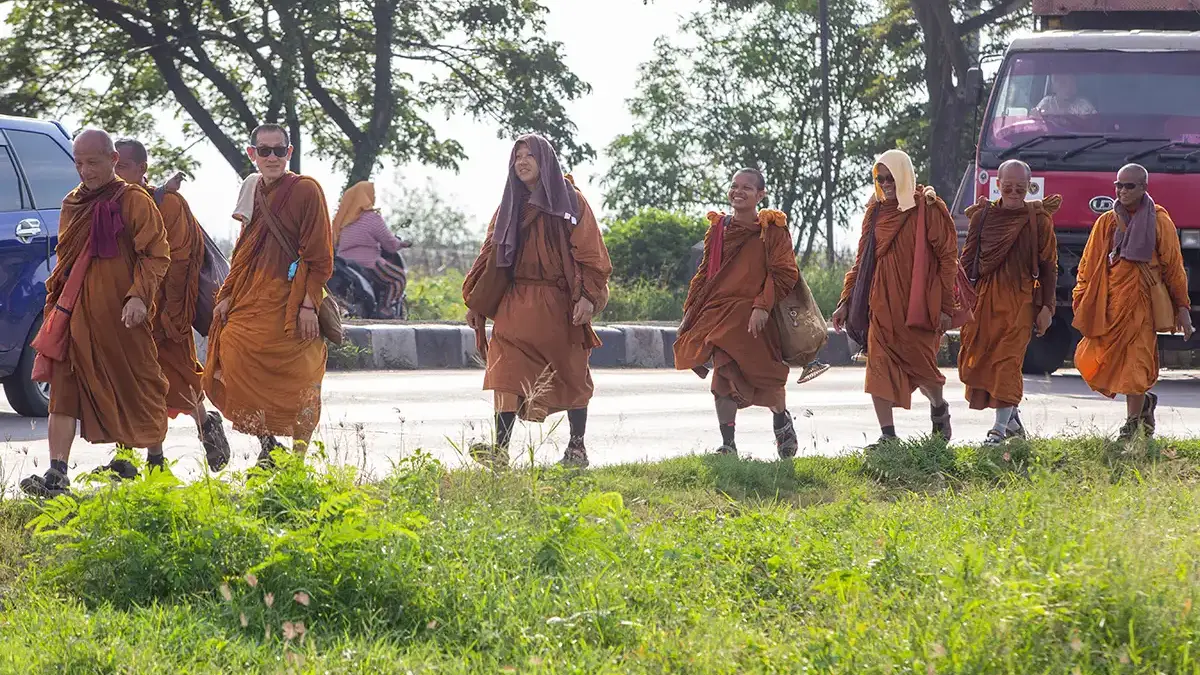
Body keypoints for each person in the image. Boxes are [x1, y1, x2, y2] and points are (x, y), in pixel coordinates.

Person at [19, 129, 171, 497]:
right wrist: (55, 305)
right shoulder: (73, 203)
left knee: (140, 385)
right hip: (77, 315)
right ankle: (57, 474)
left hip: (123, 316)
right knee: (63, 391)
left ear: (113, 159)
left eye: (94, 162)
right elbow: (66, 261)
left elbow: (156, 254)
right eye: (79, 163)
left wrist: (138, 296)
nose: (85, 171)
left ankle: (155, 459)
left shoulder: (133, 199)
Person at [462, 134, 612, 469]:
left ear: (546, 161)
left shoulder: (571, 202)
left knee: (573, 373)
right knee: (506, 372)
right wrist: (477, 302)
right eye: (517, 157)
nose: (523, 162)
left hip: (560, 303)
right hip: (515, 301)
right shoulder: (509, 206)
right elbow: (489, 255)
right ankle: (500, 452)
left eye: (530, 155)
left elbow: (592, 253)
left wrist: (587, 296)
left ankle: (576, 448)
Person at [203, 123, 334, 467]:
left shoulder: (306, 190)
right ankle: (268, 443)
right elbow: (244, 247)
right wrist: (228, 292)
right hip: (254, 295)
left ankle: (299, 460)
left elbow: (319, 254)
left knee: (302, 377)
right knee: (231, 349)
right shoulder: (253, 190)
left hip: (294, 300)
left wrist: (309, 304)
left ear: (289, 153)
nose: (272, 157)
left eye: (279, 150)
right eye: (265, 151)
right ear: (253, 155)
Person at [113, 138, 231, 471]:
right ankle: (136, 458)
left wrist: (168, 315)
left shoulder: (170, 205)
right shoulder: (110, 203)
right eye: (113, 166)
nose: (116, 174)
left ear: (142, 169)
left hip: (164, 313)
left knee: (176, 381)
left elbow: (180, 264)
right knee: (130, 383)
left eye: (122, 167)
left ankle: (206, 425)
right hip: (126, 311)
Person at [831, 150, 958, 445]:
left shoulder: (928, 207)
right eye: (880, 178)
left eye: (891, 178)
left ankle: (939, 407)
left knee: (924, 369)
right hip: (881, 304)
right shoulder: (875, 211)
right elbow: (862, 261)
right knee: (877, 368)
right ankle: (888, 436)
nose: (886, 184)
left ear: (904, 175)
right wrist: (845, 301)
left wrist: (945, 306)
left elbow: (948, 258)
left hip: (918, 305)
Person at [674, 168, 801, 457]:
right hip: (720, 316)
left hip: (757, 318)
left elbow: (783, 273)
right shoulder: (719, 230)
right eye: (734, 186)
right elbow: (705, 275)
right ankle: (728, 444)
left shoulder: (772, 230)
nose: (738, 192)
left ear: (761, 194)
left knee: (767, 377)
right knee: (722, 378)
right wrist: (690, 314)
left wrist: (762, 306)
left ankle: (781, 419)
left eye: (746, 187)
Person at [1072, 163, 1193, 439]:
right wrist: (1082, 297)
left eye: (1130, 186)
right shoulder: (1106, 222)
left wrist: (1183, 309)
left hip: (1142, 302)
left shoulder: (1160, 220)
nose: (1122, 191)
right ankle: (1144, 405)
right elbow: (1089, 265)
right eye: (1119, 185)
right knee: (1095, 357)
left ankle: (1133, 423)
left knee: (1135, 364)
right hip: (1111, 303)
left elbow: (1174, 267)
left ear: (1144, 188)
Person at [957, 159, 1059, 445]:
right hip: (984, 301)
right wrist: (958, 300)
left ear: (1029, 187)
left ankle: (998, 430)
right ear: (998, 185)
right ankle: (1012, 421)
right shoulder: (983, 217)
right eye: (1008, 186)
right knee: (978, 362)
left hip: (1020, 301)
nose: (1014, 192)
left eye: (1020, 187)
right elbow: (968, 261)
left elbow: (1049, 266)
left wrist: (1047, 308)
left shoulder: (1039, 220)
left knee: (1007, 363)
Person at [332, 180, 410, 318]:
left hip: (343, 261)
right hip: (368, 262)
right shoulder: (371, 218)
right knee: (399, 278)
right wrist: (401, 244)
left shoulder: (343, 218)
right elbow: (389, 244)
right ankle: (386, 308)